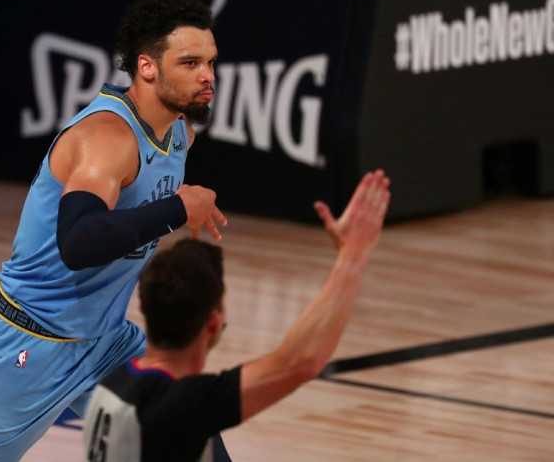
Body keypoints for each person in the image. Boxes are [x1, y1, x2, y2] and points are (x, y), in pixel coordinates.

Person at [0, 0, 227, 461]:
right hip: (24, 342)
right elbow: (79, 242)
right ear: (147, 67)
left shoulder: (178, 132)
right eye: (190, 63)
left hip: (106, 342)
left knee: (192, 441)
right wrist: (176, 208)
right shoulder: (107, 137)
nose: (207, 75)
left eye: (211, 61)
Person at [82, 169, 391, 461]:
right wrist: (352, 256)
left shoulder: (112, 383)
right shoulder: (179, 407)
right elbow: (299, 362)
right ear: (214, 324)